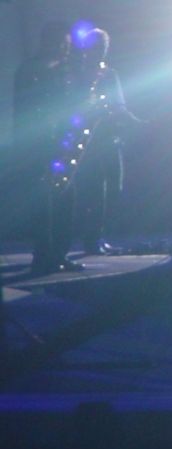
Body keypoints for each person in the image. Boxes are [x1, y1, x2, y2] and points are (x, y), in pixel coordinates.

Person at [13, 21, 83, 273]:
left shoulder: (64, 71)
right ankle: (45, 256)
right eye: (63, 44)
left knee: (65, 200)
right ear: (50, 42)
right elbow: (27, 109)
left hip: (61, 144)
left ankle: (58, 255)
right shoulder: (32, 70)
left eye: (68, 45)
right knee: (46, 205)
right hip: (40, 146)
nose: (66, 49)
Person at [74, 28, 139, 255]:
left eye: (103, 47)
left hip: (110, 139)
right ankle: (92, 238)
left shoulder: (110, 75)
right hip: (88, 141)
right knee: (94, 192)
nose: (100, 51)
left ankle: (98, 235)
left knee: (113, 188)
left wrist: (133, 123)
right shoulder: (77, 75)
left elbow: (119, 105)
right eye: (96, 47)